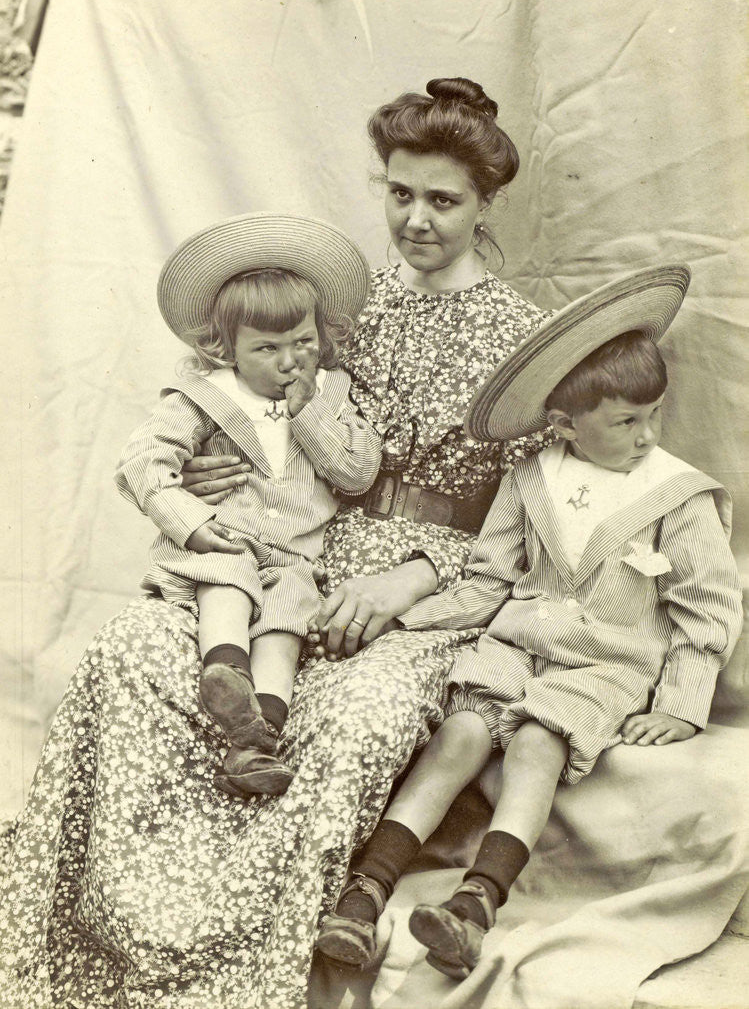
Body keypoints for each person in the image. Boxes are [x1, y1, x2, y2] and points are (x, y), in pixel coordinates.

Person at [0, 77, 592, 1009]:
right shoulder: (345, 304)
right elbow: (255, 406)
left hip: (431, 585)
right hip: (294, 551)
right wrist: (220, 469)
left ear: (486, 204)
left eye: (443, 201)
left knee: (354, 717)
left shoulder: (519, 338)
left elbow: (522, 512)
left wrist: (411, 578)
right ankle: (98, 932)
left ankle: (234, 957)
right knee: (131, 651)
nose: (416, 219)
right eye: (399, 193)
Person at [314, 266, 743, 979]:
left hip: (603, 662)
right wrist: (409, 619)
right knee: (458, 733)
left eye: (653, 415)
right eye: (625, 422)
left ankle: (474, 904)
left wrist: (679, 704)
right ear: (565, 425)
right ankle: (364, 892)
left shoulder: (676, 493)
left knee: (538, 743)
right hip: (514, 643)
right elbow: (488, 578)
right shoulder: (531, 476)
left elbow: (706, 608)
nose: (646, 435)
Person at [115, 213, 381, 797]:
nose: (290, 361)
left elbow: (359, 474)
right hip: (226, 535)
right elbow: (142, 462)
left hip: (294, 557)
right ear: (225, 348)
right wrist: (192, 523)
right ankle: (227, 670)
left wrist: (310, 414)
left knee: (287, 622)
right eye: (267, 348)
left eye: (304, 342)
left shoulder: (331, 394)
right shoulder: (203, 397)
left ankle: (256, 738)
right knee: (228, 577)